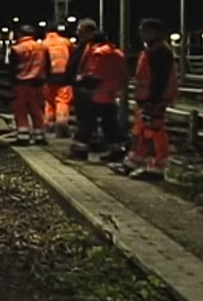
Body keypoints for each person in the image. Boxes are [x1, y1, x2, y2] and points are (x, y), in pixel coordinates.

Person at [113, 17, 179, 181]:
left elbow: (159, 80)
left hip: (154, 100)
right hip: (148, 99)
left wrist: (152, 101)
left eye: (145, 31)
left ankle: (157, 167)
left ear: (155, 32)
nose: (141, 34)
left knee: (155, 132)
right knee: (143, 132)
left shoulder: (159, 52)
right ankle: (133, 162)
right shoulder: (154, 50)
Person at [69, 28, 127, 161]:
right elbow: (123, 75)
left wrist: (81, 80)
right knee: (110, 124)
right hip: (110, 95)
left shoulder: (98, 53)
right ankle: (117, 150)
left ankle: (80, 150)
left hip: (96, 94)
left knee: (87, 123)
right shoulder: (118, 53)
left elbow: (93, 74)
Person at [10, 24, 51, 144]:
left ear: (20, 34)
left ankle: (23, 137)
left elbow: (12, 68)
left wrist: (12, 83)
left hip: (21, 83)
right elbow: (48, 65)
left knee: (21, 110)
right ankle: (40, 136)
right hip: (38, 83)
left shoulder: (17, 49)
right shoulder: (42, 47)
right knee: (37, 110)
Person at [42, 25, 75, 136]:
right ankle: (61, 123)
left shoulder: (43, 44)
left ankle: (49, 123)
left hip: (49, 77)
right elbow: (73, 57)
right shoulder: (66, 42)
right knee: (62, 101)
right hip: (65, 76)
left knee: (49, 101)